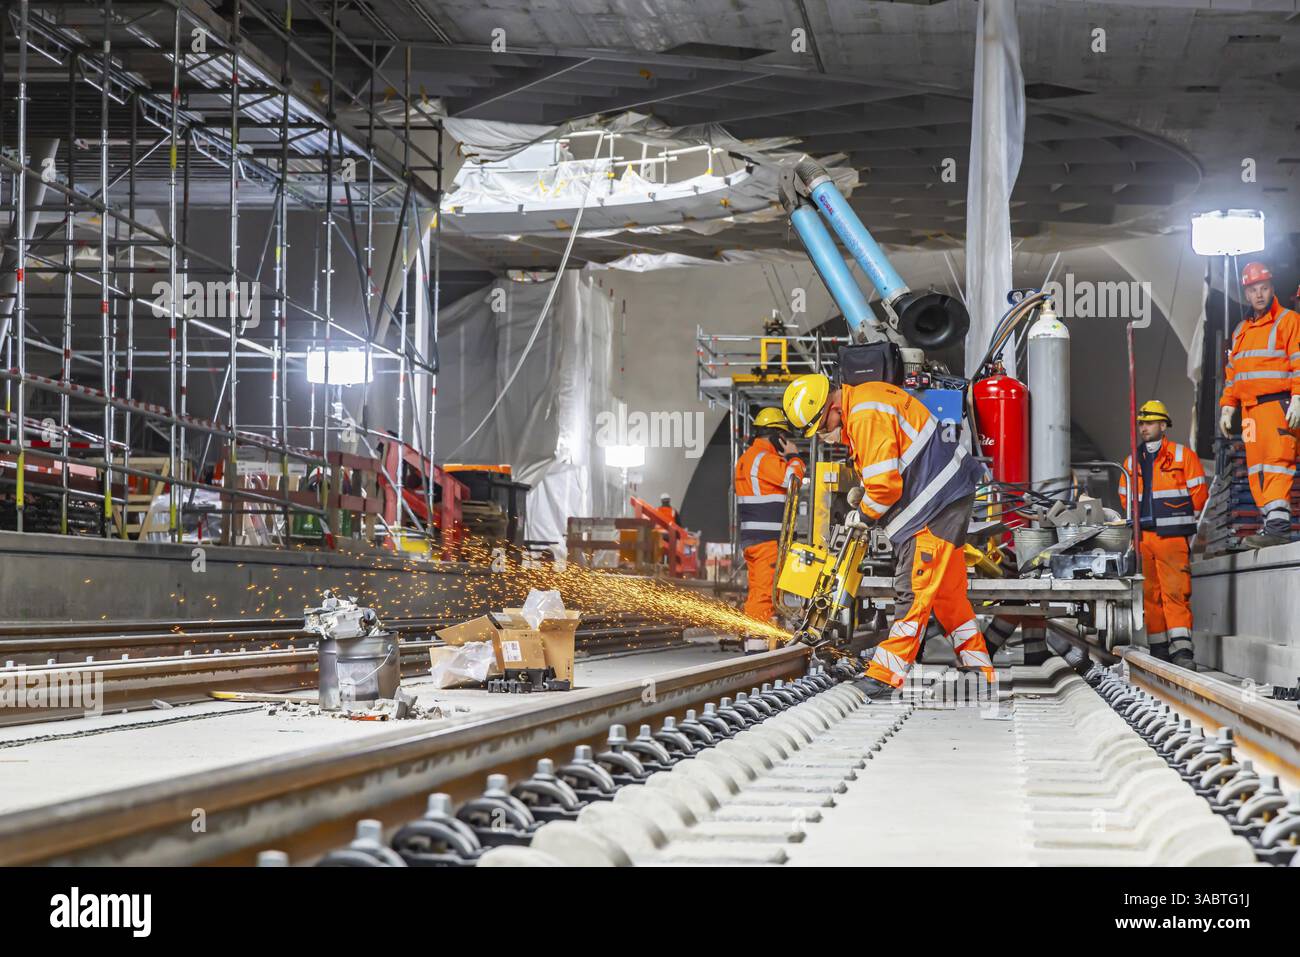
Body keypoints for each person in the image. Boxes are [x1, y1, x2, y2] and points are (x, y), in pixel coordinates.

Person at [782, 371, 994, 698]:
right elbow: (890, 466)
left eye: (822, 427)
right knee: (947, 596)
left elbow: (886, 487)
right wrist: (863, 495)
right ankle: (978, 670)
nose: (825, 434)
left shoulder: (864, 416)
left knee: (912, 590)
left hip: (932, 509)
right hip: (948, 499)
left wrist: (863, 514)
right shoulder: (867, 398)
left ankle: (885, 674)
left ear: (831, 407)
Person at [1120, 400, 1209, 668]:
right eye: (1141, 423)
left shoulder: (1183, 457)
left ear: (1163, 424)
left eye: (1149, 423)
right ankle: (1158, 648)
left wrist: (1174, 518)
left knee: (1175, 593)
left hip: (1171, 537)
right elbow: (1124, 497)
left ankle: (1182, 651)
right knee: (1150, 595)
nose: (1144, 428)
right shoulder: (1131, 461)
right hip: (1143, 538)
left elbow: (1199, 495)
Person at [1219, 262, 1300, 547]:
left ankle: (1278, 527)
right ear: (1246, 293)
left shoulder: (1288, 321)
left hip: (1278, 406)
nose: (1259, 294)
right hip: (1251, 412)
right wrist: (1228, 405)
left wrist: (1298, 397)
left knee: (1278, 464)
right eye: (1253, 290)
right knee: (1257, 469)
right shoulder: (1241, 330)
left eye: (1264, 288)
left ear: (1272, 288)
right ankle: (1270, 525)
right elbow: (1234, 373)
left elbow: (1298, 362)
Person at [734, 408, 805, 651]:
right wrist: (795, 457)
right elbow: (792, 480)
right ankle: (757, 649)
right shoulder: (764, 458)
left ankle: (755, 643)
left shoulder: (747, 458)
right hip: (767, 541)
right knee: (765, 593)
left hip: (755, 539)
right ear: (777, 436)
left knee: (758, 592)